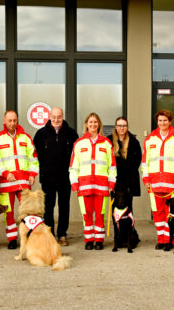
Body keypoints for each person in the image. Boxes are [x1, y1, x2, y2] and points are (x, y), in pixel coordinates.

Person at [141, 109, 174, 250]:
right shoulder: (150, 139)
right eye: (160, 120)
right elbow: (145, 163)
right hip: (154, 184)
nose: (162, 123)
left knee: (171, 214)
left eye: (165, 120)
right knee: (157, 213)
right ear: (157, 122)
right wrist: (146, 180)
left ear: (170, 122)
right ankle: (161, 239)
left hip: (173, 185)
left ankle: (169, 240)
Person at [0, 110, 39, 249]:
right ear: (4, 121)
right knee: (9, 211)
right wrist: (5, 173)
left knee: (27, 210)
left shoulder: (26, 138)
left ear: (17, 120)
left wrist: (32, 174)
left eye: (15, 120)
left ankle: (28, 236)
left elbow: (33, 158)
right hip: (7, 182)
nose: (12, 123)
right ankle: (12, 238)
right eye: (10, 120)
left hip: (24, 181)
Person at [70, 113, 117, 250]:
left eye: (95, 122)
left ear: (99, 124)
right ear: (86, 124)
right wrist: (74, 183)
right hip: (84, 186)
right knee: (87, 215)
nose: (93, 125)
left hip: (102, 186)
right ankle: (89, 240)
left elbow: (112, 166)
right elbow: (73, 166)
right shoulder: (79, 143)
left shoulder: (106, 143)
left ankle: (99, 240)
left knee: (100, 215)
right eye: (90, 122)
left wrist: (111, 183)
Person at [33, 107, 78, 246]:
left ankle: (62, 234)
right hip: (48, 178)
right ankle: (49, 234)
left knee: (64, 207)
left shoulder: (71, 133)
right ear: (50, 116)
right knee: (48, 207)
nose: (56, 119)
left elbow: (76, 155)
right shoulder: (41, 134)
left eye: (59, 117)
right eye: (54, 117)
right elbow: (35, 156)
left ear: (62, 116)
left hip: (66, 178)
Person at [109, 116, 142, 210]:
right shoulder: (109, 140)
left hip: (129, 181)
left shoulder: (133, 141)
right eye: (119, 125)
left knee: (128, 208)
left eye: (124, 125)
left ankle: (129, 225)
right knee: (115, 208)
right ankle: (117, 225)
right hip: (115, 180)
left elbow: (137, 161)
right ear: (115, 127)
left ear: (127, 127)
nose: (122, 128)